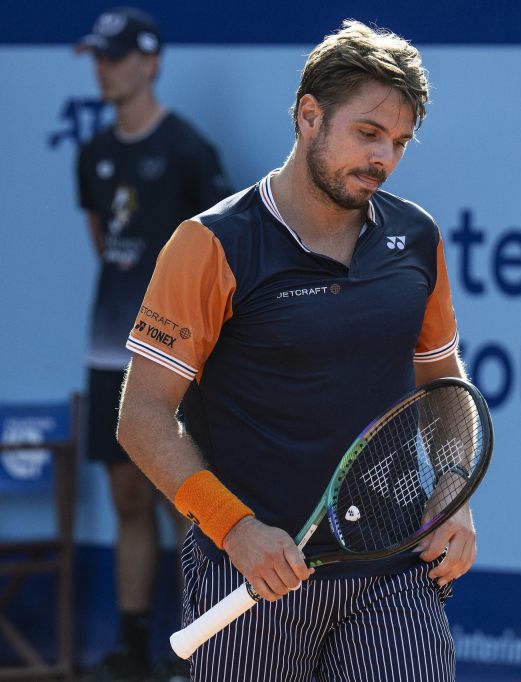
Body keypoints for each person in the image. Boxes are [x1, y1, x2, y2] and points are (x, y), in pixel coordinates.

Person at [116, 19, 474, 682]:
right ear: (310, 115)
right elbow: (141, 416)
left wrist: (453, 494)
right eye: (368, 133)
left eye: (398, 142)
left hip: (394, 572)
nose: (383, 159)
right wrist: (236, 530)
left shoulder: (417, 239)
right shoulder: (210, 245)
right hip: (251, 574)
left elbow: (443, 385)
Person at [74, 7, 231, 681]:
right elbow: (105, 247)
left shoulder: (192, 152)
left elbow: (222, 256)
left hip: (180, 358)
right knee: (126, 499)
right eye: (97, 58)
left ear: (149, 61)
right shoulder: (94, 154)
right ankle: (133, 646)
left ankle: (198, 648)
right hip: (112, 345)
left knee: (185, 497)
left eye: (113, 57)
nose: (103, 69)